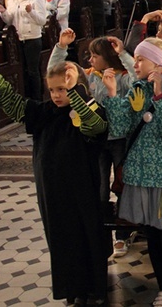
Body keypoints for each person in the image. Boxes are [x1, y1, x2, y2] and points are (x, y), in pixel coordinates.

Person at [0, 62, 109, 305]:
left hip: (82, 190)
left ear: (79, 87)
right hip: (52, 191)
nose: (57, 95)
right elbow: (14, 105)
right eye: (53, 90)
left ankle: (94, 289)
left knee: (87, 237)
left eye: (63, 89)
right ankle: (72, 289)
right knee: (61, 240)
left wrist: (75, 92)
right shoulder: (44, 112)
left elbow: (94, 125)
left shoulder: (91, 109)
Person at [102, 37, 162, 307]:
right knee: (152, 233)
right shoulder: (136, 89)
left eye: (141, 59)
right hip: (140, 175)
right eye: (136, 58)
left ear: (158, 64)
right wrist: (114, 94)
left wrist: (161, 95)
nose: (135, 64)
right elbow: (119, 129)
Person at [49, 29, 138, 254]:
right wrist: (61, 47)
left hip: (119, 139)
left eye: (95, 55)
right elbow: (56, 72)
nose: (90, 60)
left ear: (107, 56)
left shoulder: (123, 77)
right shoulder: (88, 75)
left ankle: (123, 234)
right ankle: (100, 236)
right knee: (98, 187)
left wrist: (124, 53)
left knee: (122, 186)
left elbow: (138, 79)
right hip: (95, 140)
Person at [0, 0, 47, 100]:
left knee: (33, 71)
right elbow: (10, 20)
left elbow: (42, 20)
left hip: (32, 37)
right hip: (17, 38)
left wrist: (31, 12)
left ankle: (37, 99)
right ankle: (26, 99)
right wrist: (3, 12)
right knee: (21, 70)